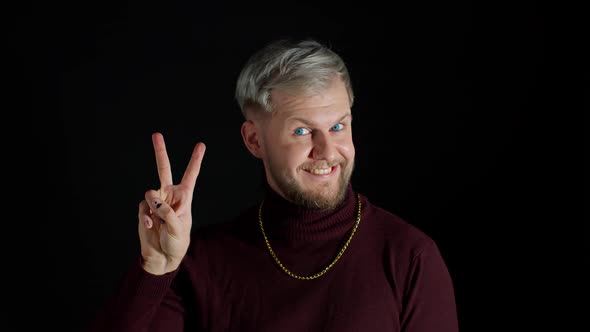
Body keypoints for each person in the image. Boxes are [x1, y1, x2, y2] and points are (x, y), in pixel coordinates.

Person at [87, 39, 459, 331]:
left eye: (338, 126)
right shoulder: (202, 261)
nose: (328, 151)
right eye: (302, 131)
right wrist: (155, 268)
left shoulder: (410, 257)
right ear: (254, 140)